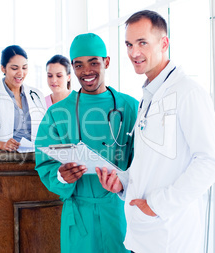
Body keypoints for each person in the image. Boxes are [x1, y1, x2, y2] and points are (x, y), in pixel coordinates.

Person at [96, 10, 215, 253]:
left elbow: (210, 163)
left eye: (142, 42)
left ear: (164, 43)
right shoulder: (150, 96)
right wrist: (122, 183)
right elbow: (151, 163)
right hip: (143, 236)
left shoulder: (188, 92)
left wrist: (157, 205)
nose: (134, 52)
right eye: (129, 44)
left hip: (170, 237)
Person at [35, 33, 138, 252]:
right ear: (73, 68)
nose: (87, 71)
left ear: (106, 62)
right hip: (79, 217)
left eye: (94, 62)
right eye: (79, 65)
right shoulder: (57, 113)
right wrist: (62, 176)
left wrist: (125, 180)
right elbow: (45, 164)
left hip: (119, 214)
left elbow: (146, 162)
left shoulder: (130, 107)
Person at [0, 45, 46, 151]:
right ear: (3, 68)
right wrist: (3, 145)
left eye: (24, 68)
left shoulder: (37, 95)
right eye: (14, 68)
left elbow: (46, 132)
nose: (20, 73)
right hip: (6, 161)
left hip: (35, 159)